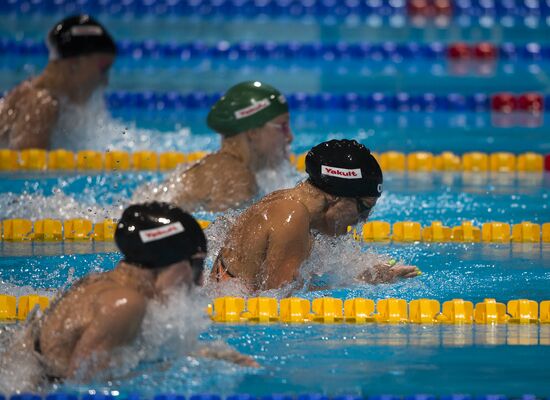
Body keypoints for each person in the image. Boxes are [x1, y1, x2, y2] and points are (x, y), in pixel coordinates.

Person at [4, 202, 256, 387]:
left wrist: (209, 355)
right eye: (197, 266)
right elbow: (81, 393)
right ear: (173, 261)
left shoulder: (106, 285)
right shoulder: (124, 305)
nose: (200, 281)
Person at [211, 139, 420, 292]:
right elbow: (278, 297)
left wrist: (366, 274)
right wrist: (355, 284)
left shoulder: (288, 203)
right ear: (337, 197)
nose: (363, 219)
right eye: (363, 207)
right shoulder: (293, 215)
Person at [134, 81, 294, 212]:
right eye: (283, 126)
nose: (289, 137)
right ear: (253, 132)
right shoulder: (237, 178)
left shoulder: (219, 167)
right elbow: (224, 246)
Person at [0, 15, 116, 149]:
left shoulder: (37, 92)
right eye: (103, 69)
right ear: (74, 63)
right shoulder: (42, 105)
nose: (105, 81)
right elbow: (30, 166)